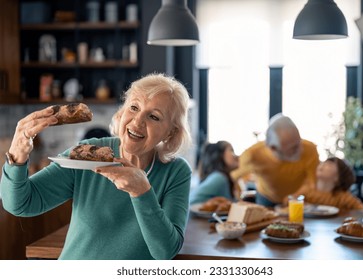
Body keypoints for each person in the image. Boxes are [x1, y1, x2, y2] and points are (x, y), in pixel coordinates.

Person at [0, 73, 192, 260]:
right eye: (134, 107)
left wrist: (142, 193)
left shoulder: (176, 172)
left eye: (154, 117)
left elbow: (165, 252)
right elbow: (19, 204)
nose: (138, 121)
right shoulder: (88, 153)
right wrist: (16, 157)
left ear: (170, 132)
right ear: (122, 111)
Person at [230, 113, 320, 207]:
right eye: (293, 148)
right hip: (266, 199)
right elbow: (232, 178)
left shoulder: (310, 148)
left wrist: (295, 196)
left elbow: (312, 182)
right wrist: (237, 200)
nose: (300, 149)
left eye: (299, 142)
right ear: (273, 148)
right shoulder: (252, 154)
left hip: (296, 199)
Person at [288, 157, 363, 211]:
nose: (322, 165)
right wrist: (297, 201)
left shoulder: (343, 196)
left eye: (329, 165)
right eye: (323, 162)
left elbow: (361, 209)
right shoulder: (307, 189)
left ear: (337, 178)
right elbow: (288, 200)